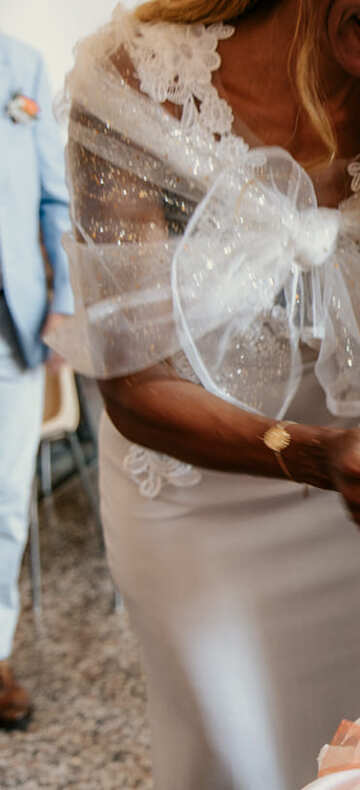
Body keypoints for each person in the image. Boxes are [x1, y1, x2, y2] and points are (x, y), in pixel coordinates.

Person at [47, 0, 360, 786]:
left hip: (354, 518)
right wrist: (317, 456)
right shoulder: (134, 80)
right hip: (193, 506)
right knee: (230, 760)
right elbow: (135, 385)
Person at [0, 33, 72, 732]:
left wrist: (65, 303)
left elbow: (56, 200)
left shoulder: (19, 67)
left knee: (4, 503)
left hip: (7, 324)